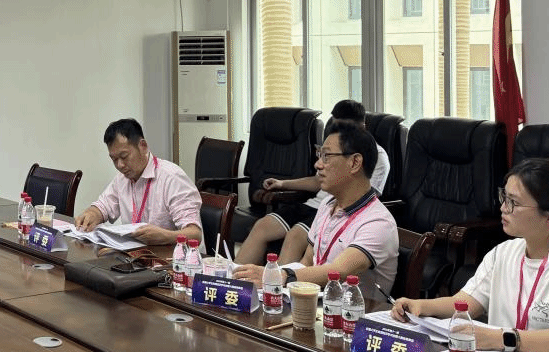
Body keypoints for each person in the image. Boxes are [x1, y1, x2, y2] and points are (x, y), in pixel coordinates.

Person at [392, 158, 549, 352]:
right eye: (504, 197)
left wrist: (502, 339)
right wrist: (420, 306)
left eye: (513, 202)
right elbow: (465, 302)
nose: (503, 208)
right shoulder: (504, 253)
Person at [233, 121, 398, 306]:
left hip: (353, 315)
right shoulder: (328, 205)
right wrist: (272, 281)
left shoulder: (378, 222)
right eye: (320, 155)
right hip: (317, 306)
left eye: (326, 156)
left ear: (354, 163)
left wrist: (279, 275)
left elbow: (339, 271)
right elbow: (307, 261)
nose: (318, 165)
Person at [235, 100, 389, 265]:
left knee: (295, 236)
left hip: (338, 211)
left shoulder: (376, 156)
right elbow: (317, 181)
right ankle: (231, 278)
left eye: (347, 127)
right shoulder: (333, 150)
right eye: (337, 126)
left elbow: (365, 196)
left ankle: (279, 280)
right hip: (317, 205)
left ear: (362, 127)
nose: (341, 132)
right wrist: (282, 184)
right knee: (262, 226)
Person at [74, 118, 202, 246]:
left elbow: (195, 234)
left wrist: (164, 236)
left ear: (143, 146)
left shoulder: (172, 178)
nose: (120, 165)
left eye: (124, 156)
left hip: (174, 255)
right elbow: (103, 207)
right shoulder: (122, 179)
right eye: (114, 159)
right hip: (138, 253)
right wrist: (92, 213)